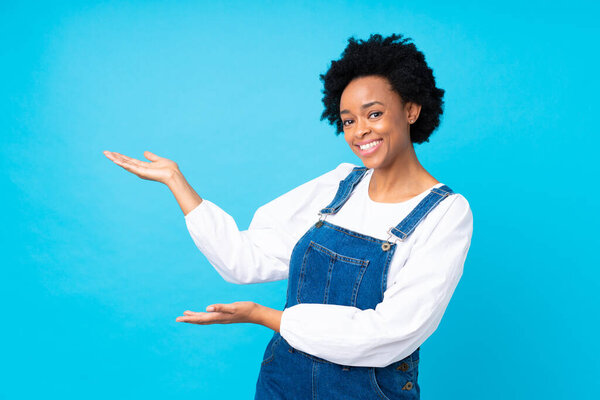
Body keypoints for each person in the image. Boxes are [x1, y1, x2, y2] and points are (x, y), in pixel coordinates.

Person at [103, 33, 473, 399]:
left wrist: (267, 317)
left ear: (411, 109)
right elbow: (243, 261)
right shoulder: (338, 185)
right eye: (347, 121)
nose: (360, 131)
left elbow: (391, 333)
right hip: (283, 382)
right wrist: (177, 182)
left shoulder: (445, 214)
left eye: (374, 114)